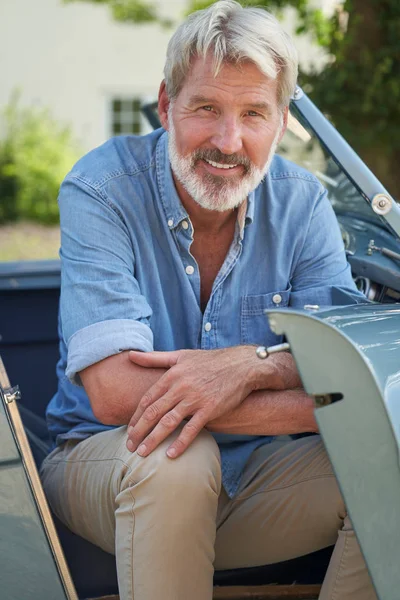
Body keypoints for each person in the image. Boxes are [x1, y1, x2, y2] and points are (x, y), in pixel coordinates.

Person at [40, 1, 376, 599]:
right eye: (207, 109)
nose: (229, 140)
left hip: (255, 474)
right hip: (106, 467)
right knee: (180, 460)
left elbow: (346, 366)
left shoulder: (302, 204)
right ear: (167, 106)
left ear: (280, 123)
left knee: (389, 466)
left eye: (254, 113)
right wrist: (304, 397)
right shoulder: (102, 188)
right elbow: (115, 391)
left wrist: (249, 365)